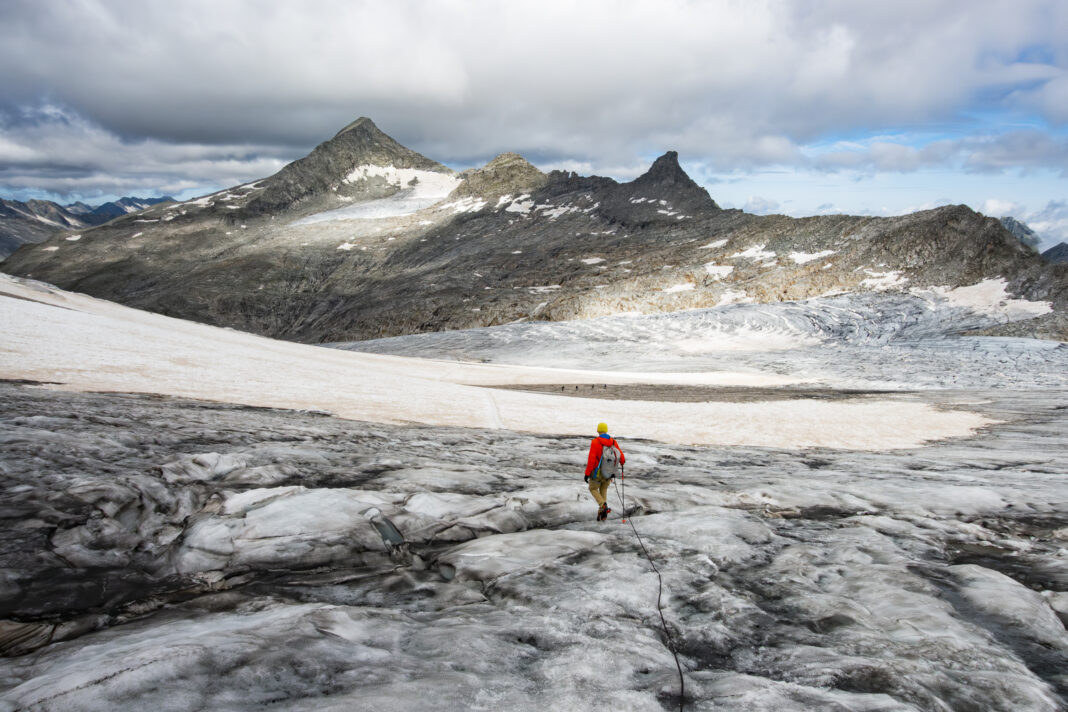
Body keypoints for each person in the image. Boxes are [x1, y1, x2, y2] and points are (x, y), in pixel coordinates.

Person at [584, 422, 625, 521]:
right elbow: (621, 457)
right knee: (603, 489)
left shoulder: (595, 442)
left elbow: (592, 459)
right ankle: (603, 514)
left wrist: (587, 473)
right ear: (606, 430)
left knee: (593, 488)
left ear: (598, 430)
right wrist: (622, 463)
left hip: (597, 472)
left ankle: (603, 505)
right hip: (609, 472)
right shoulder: (613, 442)